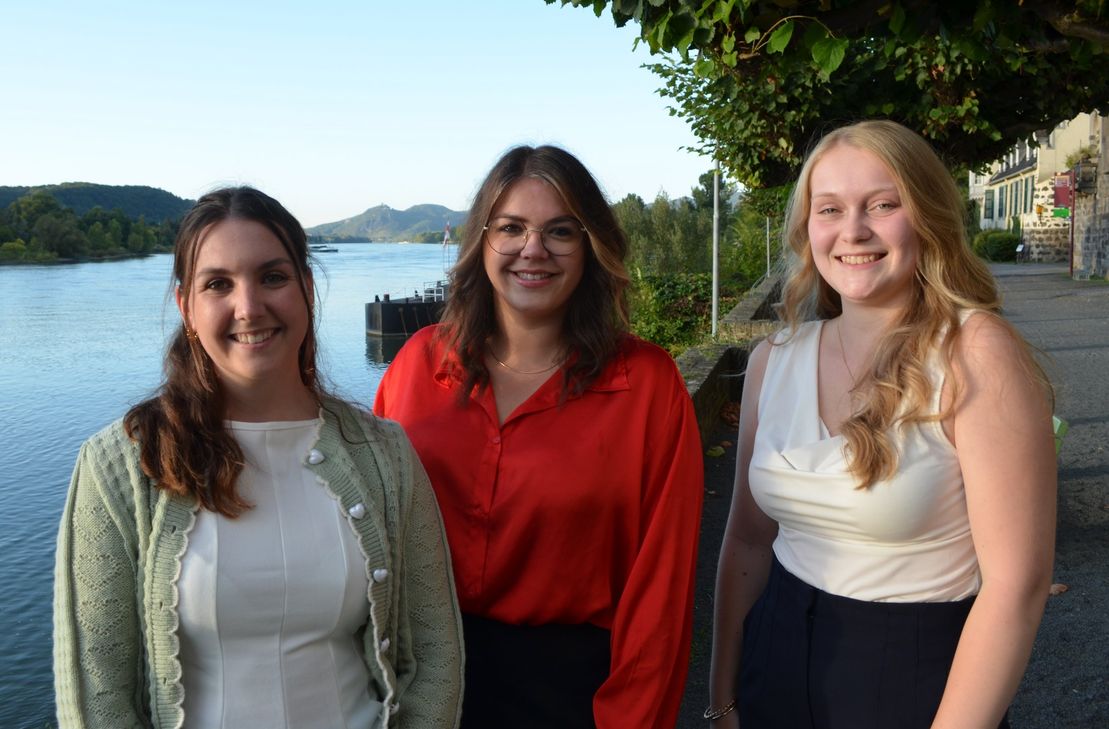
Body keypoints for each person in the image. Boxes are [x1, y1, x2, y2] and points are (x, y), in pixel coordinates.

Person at [53, 187, 463, 729]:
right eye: (218, 284)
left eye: (273, 277)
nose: (249, 307)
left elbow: (435, 654)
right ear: (187, 308)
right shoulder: (122, 466)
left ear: (306, 290)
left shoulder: (384, 454)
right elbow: (97, 693)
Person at [706, 119, 1057, 729]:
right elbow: (747, 541)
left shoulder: (974, 354)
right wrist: (722, 699)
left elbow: (1017, 588)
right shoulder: (774, 359)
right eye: (830, 209)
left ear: (926, 216)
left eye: (883, 205)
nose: (853, 231)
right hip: (773, 669)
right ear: (807, 228)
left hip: (911, 685)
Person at [373, 145, 704, 729]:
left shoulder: (648, 385)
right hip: (418, 685)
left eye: (560, 231)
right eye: (511, 228)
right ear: (482, 241)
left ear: (591, 246)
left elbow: (662, 590)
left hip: (571, 695)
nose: (534, 249)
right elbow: (365, 538)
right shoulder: (416, 367)